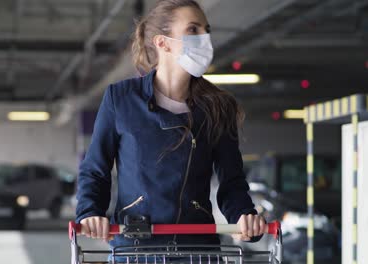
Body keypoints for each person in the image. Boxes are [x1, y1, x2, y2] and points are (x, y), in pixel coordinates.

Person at [75, 0, 266, 253]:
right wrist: (90, 212)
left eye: (206, 30)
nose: (205, 38)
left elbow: (231, 180)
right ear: (162, 42)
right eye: (193, 30)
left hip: (197, 249)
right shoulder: (121, 99)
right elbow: (95, 170)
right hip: (137, 247)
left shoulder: (218, 107)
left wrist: (244, 215)